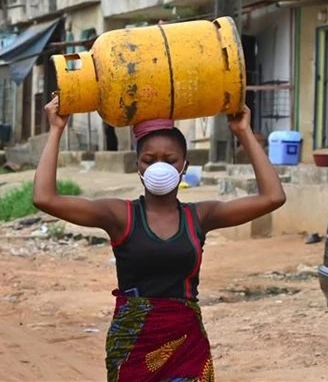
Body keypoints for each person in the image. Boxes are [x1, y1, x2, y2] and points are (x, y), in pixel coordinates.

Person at [33, 97, 286, 381]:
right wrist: (56, 129)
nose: (159, 167)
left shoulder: (200, 216)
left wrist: (243, 132)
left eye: (170, 160)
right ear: (137, 166)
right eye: (149, 160)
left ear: (185, 166)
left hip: (186, 343)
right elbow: (44, 198)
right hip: (133, 343)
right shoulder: (120, 215)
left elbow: (273, 197)